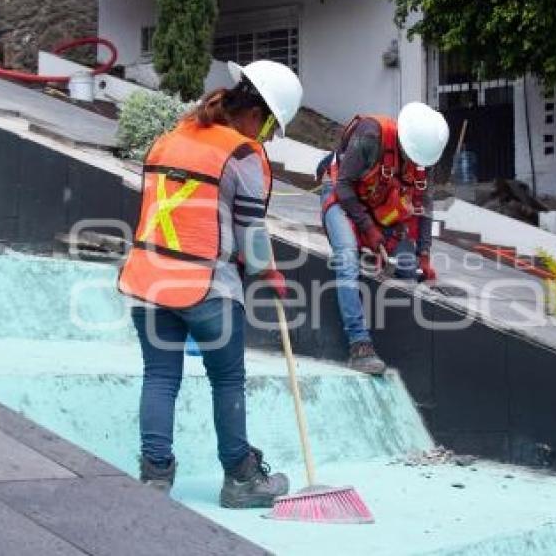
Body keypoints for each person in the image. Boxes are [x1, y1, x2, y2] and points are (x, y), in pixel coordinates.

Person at [118, 59, 302, 508]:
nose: (269, 140)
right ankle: (240, 479)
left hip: (148, 280)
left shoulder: (170, 137)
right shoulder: (242, 153)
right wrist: (268, 274)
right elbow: (251, 235)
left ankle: (155, 476)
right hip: (208, 288)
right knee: (228, 381)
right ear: (256, 116)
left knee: (159, 376)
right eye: (272, 129)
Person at [319, 102, 449, 375]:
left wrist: (423, 255)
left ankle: (372, 249)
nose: (416, 165)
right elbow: (343, 185)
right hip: (341, 195)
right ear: (403, 140)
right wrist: (369, 230)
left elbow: (423, 207)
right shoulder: (372, 135)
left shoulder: (423, 158)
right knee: (346, 257)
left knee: (407, 269)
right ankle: (359, 344)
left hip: (377, 206)